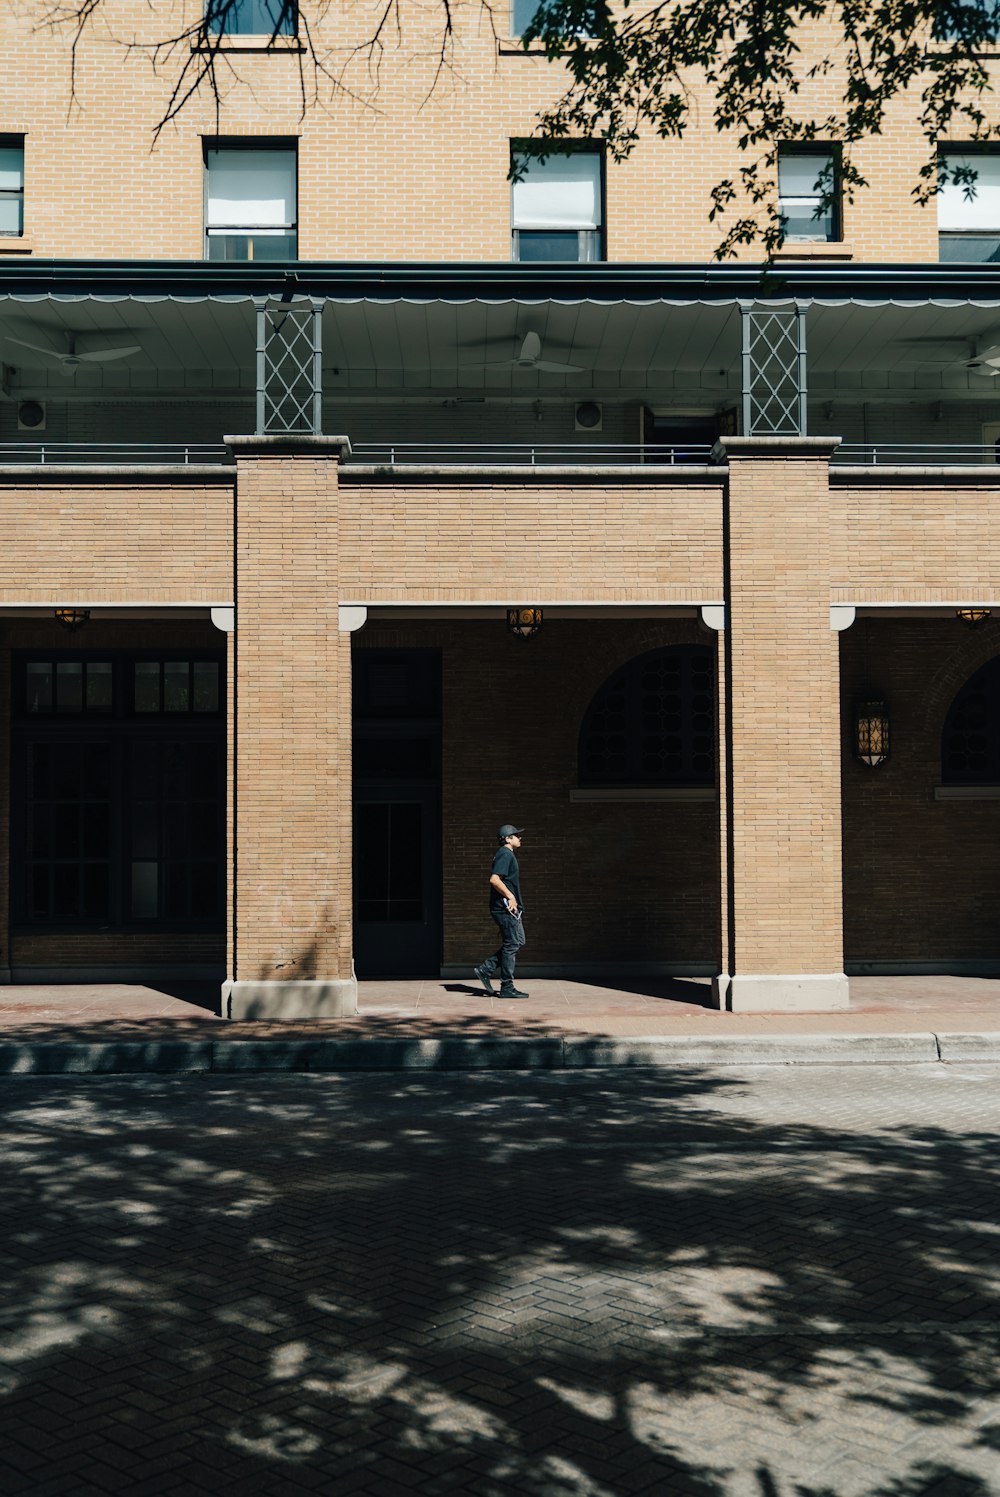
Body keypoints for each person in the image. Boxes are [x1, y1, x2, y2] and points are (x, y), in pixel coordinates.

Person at [473, 824, 529, 999]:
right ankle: (506, 987)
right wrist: (511, 897)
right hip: (505, 908)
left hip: (508, 909)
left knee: (517, 941)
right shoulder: (505, 855)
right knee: (512, 944)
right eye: (516, 835)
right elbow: (494, 879)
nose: (520, 838)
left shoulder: (507, 855)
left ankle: (486, 969)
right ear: (507, 839)